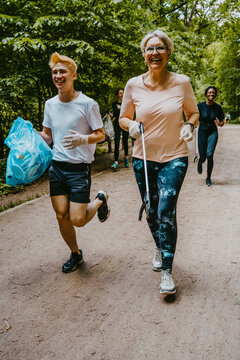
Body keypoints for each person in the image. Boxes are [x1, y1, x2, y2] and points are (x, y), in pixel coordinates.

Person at [119, 30, 199, 295]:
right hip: (143, 158)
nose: (155, 53)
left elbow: (193, 112)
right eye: (150, 49)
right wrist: (130, 125)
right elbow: (123, 117)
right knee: (151, 209)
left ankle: (166, 269)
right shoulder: (133, 85)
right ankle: (159, 244)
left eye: (160, 48)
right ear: (144, 55)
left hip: (175, 157)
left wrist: (189, 125)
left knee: (166, 209)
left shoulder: (182, 83)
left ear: (169, 52)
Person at [37, 52, 110, 273]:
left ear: (73, 75)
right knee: (61, 215)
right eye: (55, 72)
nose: (58, 75)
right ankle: (75, 254)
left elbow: (102, 134)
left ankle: (99, 199)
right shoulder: (50, 104)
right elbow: (48, 137)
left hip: (79, 169)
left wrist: (83, 139)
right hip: (57, 167)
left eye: (62, 71)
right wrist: (30, 134)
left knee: (77, 219)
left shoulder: (88, 104)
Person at [197, 86, 224, 186]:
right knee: (203, 157)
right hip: (202, 132)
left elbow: (221, 122)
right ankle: (200, 162)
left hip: (213, 132)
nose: (211, 94)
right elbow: (194, 117)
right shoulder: (199, 106)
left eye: (213, 93)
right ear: (206, 94)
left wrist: (220, 124)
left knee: (210, 154)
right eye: (209, 93)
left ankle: (208, 178)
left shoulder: (218, 108)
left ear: (215, 94)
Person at [111, 88, 129, 171]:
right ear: (117, 95)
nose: (122, 94)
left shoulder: (126, 103)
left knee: (125, 141)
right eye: (120, 93)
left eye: (123, 93)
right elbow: (115, 114)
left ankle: (126, 158)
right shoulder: (114, 104)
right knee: (117, 142)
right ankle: (116, 162)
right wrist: (111, 115)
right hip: (117, 125)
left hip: (124, 124)